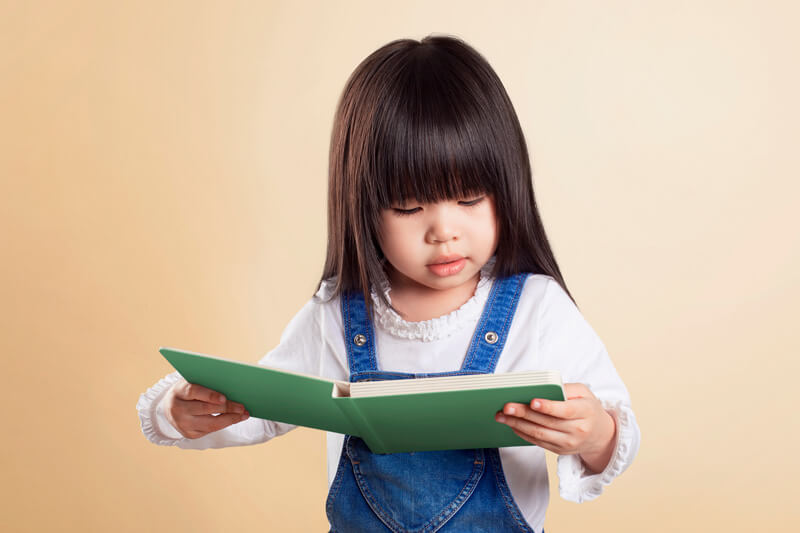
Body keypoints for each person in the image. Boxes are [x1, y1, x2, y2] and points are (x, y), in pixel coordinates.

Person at [137, 34, 640, 532]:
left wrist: (596, 435)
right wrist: (178, 414)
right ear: (363, 206)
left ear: (507, 189)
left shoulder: (537, 309)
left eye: (469, 200)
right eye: (408, 207)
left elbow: (615, 432)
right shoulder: (337, 314)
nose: (443, 231)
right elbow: (263, 408)